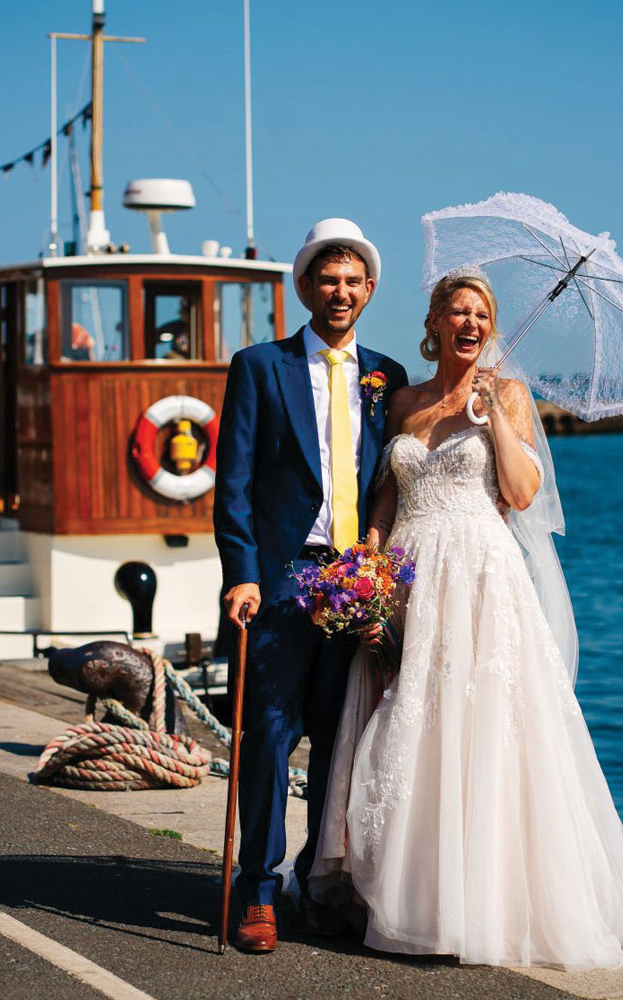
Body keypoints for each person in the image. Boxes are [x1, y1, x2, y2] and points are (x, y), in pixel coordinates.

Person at [309, 269, 623, 969]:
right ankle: (411, 895)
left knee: (481, 726)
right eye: (458, 312)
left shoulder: (508, 395)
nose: (471, 324)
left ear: (491, 326)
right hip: (410, 580)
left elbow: (521, 492)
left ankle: (482, 901)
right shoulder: (406, 402)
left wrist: (494, 419)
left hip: (478, 578)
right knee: (404, 724)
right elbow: (388, 497)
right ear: (435, 323)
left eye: (481, 314)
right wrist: (368, 569)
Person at [213, 218, 408, 953]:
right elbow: (233, 484)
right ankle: (257, 890)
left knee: (337, 735)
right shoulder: (260, 366)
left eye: (353, 281)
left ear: (370, 289)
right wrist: (242, 574)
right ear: (305, 287)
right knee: (267, 732)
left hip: (355, 577)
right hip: (282, 577)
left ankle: (316, 883)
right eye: (328, 279)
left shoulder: (386, 376)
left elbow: (393, 480)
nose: (341, 291)